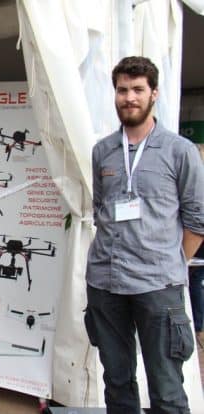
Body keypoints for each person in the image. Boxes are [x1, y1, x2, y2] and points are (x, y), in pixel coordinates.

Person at [84, 56, 204, 414]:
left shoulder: (180, 151)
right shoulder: (103, 151)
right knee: (117, 382)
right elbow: (101, 210)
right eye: (122, 90)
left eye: (138, 89)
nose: (129, 97)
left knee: (166, 387)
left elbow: (197, 222)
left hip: (157, 288)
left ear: (154, 94)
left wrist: (168, 261)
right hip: (105, 285)